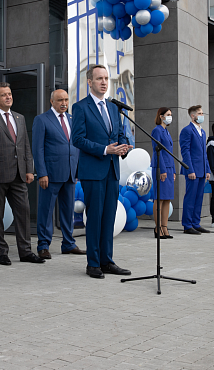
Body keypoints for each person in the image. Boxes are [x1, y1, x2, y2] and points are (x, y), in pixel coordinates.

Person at [72, 64, 133, 279]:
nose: (104, 82)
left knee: (108, 218)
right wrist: (105, 149)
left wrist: (123, 147)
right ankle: (93, 264)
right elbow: (77, 139)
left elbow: (119, 134)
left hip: (112, 170)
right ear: (90, 82)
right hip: (93, 171)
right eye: (99, 78)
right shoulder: (81, 107)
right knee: (95, 218)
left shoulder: (114, 108)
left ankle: (107, 261)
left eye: (106, 78)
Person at [0, 82, 44, 265]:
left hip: (19, 174)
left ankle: (25, 251)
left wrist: (29, 169)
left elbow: (25, 145)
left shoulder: (19, 117)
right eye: (4, 95)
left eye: (9, 94)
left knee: (23, 213)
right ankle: (1, 252)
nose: (8, 97)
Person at [32, 89, 86, 258]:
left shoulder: (72, 119)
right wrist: (42, 173)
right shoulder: (42, 119)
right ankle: (43, 245)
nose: (64, 103)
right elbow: (38, 149)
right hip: (50, 174)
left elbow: (76, 145)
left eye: (66, 100)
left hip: (70, 173)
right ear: (52, 101)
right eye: (60, 100)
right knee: (46, 210)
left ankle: (69, 244)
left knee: (68, 210)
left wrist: (78, 171)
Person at [179, 105, 211, 235]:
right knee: (190, 198)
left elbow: (204, 153)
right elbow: (185, 151)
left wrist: (207, 169)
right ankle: (187, 225)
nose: (202, 115)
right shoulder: (187, 130)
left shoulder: (202, 132)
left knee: (199, 198)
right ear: (193, 116)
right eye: (200, 113)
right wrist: (190, 169)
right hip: (192, 170)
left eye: (202, 113)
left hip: (202, 170)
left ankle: (196, 223)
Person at [150, 107, 176, 238]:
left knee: (167, 199)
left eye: (171, 114)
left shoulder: (166, 131)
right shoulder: (157, 130)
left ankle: (165, 227)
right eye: (168, 114)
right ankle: (158, 227)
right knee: (159, 198)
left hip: (169, 167)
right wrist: (163, 170)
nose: (170, 117)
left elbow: (170, 153)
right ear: (161, 116)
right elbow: (157, 151)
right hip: (161, 167)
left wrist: (173, 170)